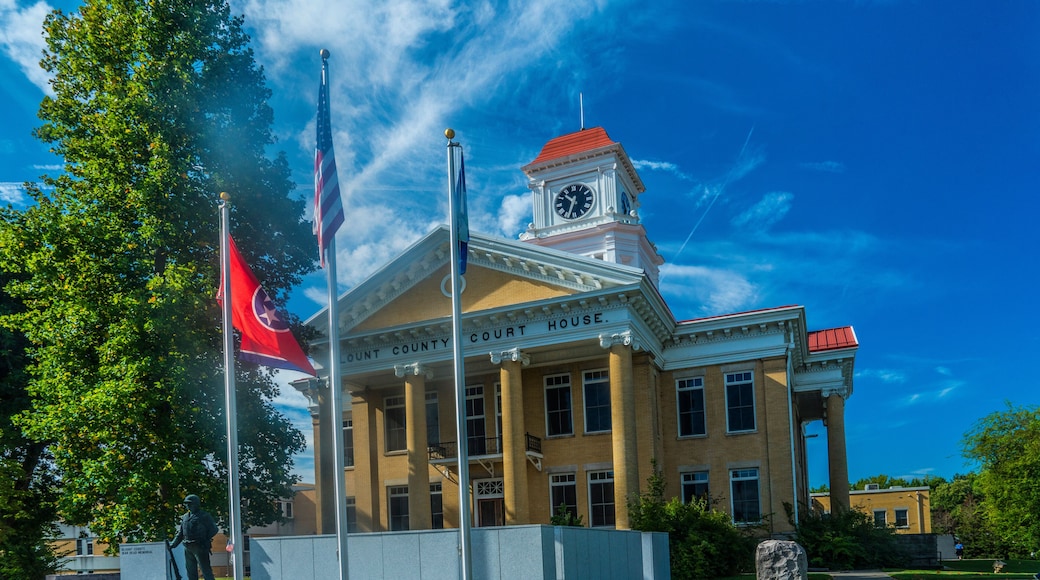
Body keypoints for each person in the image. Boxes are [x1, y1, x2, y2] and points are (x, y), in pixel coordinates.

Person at [170, 494, 219, 580]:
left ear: (196, 504)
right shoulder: (185, 517)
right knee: (190, 572)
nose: (187, 506)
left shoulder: (204, 516)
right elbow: (181, 533)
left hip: (200, 546)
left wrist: (204, 539)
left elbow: (214, 529)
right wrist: (173, 544)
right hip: (188, 547)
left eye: (190, 503)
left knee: (205, 571)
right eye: (186, 504)